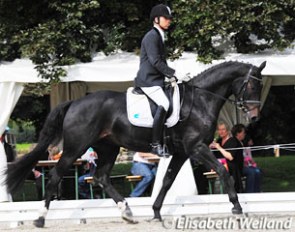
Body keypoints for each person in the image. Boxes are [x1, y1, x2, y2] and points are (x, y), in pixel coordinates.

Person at [134, 4, 179, 156]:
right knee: (164, 103)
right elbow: (155, 61)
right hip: (148, 80)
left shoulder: (159, 35)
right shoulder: (151, 36)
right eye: (166, 18)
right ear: (156, 19)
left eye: (169, 18)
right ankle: (155, 144)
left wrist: (169, 76)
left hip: (156, 79)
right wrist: (171, 74)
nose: (169, 21)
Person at [211, 123, 244, 193]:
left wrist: (219, 148)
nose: (221, 132)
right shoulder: (219, 141)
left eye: (223, 129)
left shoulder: (233, 141)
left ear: (228, 130)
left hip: (233, 168)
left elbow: (230, 157)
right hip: (220, 166)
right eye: (219, 130)